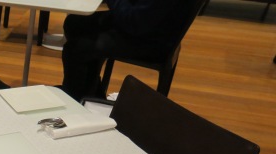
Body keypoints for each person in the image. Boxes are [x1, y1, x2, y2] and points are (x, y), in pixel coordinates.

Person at [60, 0, 196, 102]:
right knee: (74, 23)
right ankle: (90, 91)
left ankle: (74, 99)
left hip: (151, 39)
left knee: (76, 49)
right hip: (150, 22)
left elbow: (134, 22)